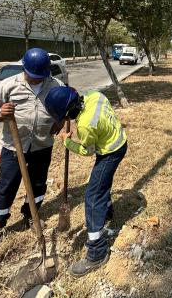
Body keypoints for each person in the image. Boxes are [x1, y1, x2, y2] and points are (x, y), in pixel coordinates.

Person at [0, 48, 63, 251]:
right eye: (32, 77)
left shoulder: (55, 85)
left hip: (42, 145)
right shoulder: (9, 84)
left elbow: (65, 107)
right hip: (13, 146)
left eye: (40, 77)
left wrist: (60, 120)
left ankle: (31, 215)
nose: (36, 81)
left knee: (37, 184)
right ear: (24, 69)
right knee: (6, 185)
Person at [45, 86, 127, 277]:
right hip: (119, 141)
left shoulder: (85, 125)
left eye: (66, 118)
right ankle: (107, 213)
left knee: (92, 196)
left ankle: (97, 251)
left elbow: (86, 151)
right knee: (102, 184)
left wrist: (67, 141)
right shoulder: (94, 96)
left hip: (109, 153)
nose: (67, 121)